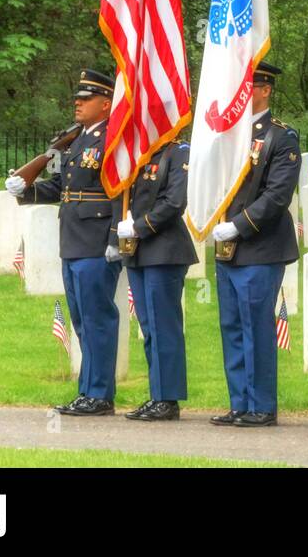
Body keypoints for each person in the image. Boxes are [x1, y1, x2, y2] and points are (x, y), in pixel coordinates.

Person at [7, 68, 122, 416]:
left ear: (106, 104)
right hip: (72, 240)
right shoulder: (78, 139)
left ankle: (100, 395)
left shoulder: (112, 140)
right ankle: (88, 391)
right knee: (82, 320)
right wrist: (27, 189)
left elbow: (120, 191)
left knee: (98, 318)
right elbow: (62, 187)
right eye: (78, 97)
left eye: (86, 99)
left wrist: (116, 236)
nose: (78, 102)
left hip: (97, 241)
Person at [208, 62, 301, 428]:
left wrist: (238, 226)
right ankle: (240, 402)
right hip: (227, 247)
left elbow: (277, 196)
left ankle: (262, 405)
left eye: (249, 87)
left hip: (260, 247)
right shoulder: (226, 135)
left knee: (256, 326)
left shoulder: (281, 137)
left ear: (265, 90)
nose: (241, 94)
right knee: (231, 325)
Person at [116, 138, 196, 421]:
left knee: (164, 327)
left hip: (165, 249)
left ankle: (168, 399)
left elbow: (174, 201)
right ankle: (157, 394)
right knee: (149, 327)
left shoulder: (178, 152)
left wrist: (138, 227)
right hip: (138, 251)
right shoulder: (136, 153)